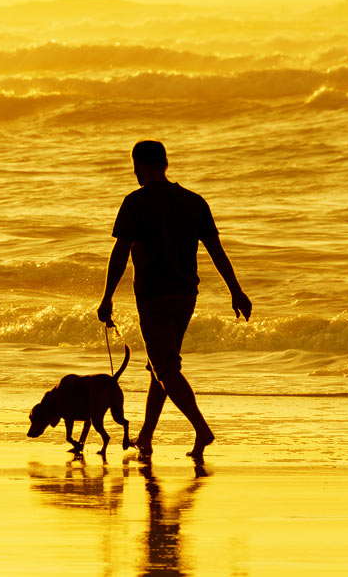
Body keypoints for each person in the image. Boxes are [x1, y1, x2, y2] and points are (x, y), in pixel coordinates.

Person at [96, 140, 251, 461]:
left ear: (139, 166)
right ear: (165, 164)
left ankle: (201, 429)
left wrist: (107, 296)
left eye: (135, 166)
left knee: (165, 366)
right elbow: (216, 251)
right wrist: (236, 291)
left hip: (153, 296)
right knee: (161, 365)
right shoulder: (193, 202)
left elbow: (120, 253)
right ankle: (146, 438)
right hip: (185, 295)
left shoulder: (134, 203)